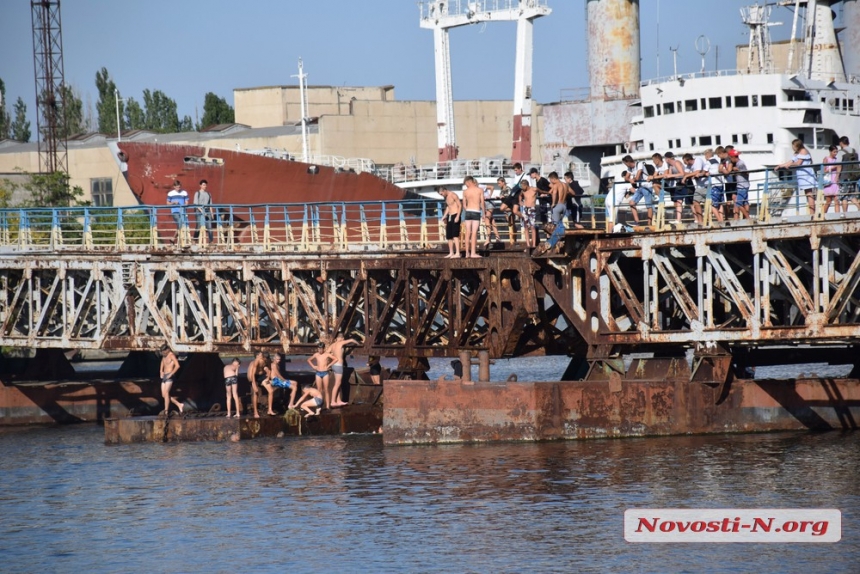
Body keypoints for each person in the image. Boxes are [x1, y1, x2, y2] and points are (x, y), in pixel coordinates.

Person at [776, 139, 816, 214]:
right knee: (807, 193)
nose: (792, 147)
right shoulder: (797, 153)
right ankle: (812, 213)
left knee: (809, 194)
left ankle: (812, 213)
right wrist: (780, 166)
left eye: (793, 146)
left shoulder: (803, 151)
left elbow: (798, 163)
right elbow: (791, 161)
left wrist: (789, 165)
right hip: (802, 175)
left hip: (806, 175)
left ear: (797, 145)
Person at [328, 334, 360, 408]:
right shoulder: (341, 343)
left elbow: (327, 353)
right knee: (337, 384)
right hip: (339, 365)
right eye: (342, 338)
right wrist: (358, 343)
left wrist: (333, 356)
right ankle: (333, 401)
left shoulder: (332, 345)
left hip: (334, 365)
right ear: (341, 338)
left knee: (338, 383)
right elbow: (352, 340)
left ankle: (338, 400)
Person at [681, 150, 712, 225]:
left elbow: (697, 171)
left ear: (688, 160)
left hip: (705, 184)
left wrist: (687, 176)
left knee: (709, 203)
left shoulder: (698, 160)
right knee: (695, 202)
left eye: (684, 161)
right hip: (698, 186)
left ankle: (709, 220)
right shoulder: (689, 165)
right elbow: (685, 172)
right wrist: (689, 175)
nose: (684, 163)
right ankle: (700, 221)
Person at [621, 154, 653, 226]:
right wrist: (630, 179)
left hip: (647, 186)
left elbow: (638, 177)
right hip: (640, 187)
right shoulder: (630, 169)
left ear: (628, 162)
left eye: (625, 163)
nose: (625, 165)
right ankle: (637, 222)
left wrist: (633, 179)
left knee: (648, 205)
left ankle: (649, 223)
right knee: (631, 203)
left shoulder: (639, 164)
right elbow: (626, 178)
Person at [307, 341, 336, 409]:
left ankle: (328, 406)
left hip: (325, 373)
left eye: (321, 349)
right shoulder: (316, 354)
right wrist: (313, 366)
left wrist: (329, 365)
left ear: (323, 348)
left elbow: (335, 359)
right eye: (318, 349)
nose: (319, 350)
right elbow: (309, 360)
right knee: (319, 390)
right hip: (318, 373)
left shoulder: (326, 354)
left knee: (326, 390)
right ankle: (319, 405)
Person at [662, 151, 688, 225]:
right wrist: (667, 176)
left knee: (679, 201)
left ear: (667, 159)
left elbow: (682, 173)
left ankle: (679, 219)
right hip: (676, 185)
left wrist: (670, 176)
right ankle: (678, 219)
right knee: (677, 202)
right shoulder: (670, 166)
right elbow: (670, 174)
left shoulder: (676, 163)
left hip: (682, 184)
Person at [462, 176, 485, 258]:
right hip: (476, 211)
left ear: (469, 182)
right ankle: (473, 253)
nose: (466, 186)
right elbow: (482, 203)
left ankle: (467, 253)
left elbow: (464, 204)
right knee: (474, 233)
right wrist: (484, 214)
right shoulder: (480, 190)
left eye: (466, 184)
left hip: (468, 212)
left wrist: (468, 209)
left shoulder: (465, 191)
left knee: (468, 232)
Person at [158, 344, 184, 415]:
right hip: (164, 376)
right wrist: (161, 371)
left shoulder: (171, 355)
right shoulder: (164, 356)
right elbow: (162, 362)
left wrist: (171, 373)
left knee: (166, 393)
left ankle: (166, 411)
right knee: (164, 395)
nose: (163, 353)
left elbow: (177, 365)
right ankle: (179, 404)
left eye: (164, 351)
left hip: (170, 376)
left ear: (167, 350)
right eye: (162, 352)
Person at [727, 149, 751, 220]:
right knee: (745, 202)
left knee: (738, 203)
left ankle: (747, 217)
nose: (730, 160)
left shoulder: (740, 163)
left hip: (742, 186)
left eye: (731, 158)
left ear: (733, 157)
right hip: (743, 185)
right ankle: (747, 217)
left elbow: (746, 172)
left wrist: (737, 170)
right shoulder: (739, 163)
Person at [838, 136, 860, 213]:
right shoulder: (854, 151)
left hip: (844, 176)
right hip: (854, 176)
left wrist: (837, 176)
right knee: (852, 194)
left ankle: (844, 213)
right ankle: (859, 207)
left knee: (844, 196)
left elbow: (839, 166)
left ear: (841, 143)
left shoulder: (841, 152)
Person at [440, 187, 461, 258]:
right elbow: (448, 207)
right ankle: (451, 252)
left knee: (455, 235)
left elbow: (460, 205)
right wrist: (444, 216)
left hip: (455, 214)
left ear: (445, 191)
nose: (442, 195)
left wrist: (458, 216)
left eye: (442, 194)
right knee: (449, 235)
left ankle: (458, 253)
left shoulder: (453, 195)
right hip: (450, 216)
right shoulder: (446, 198)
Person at [247, 350, 268, 418]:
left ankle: (266, 407)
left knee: (259, 392)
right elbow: (251, 375)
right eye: (261, 355)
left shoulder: (261, 361)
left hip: (259, 377)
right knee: (255, 393)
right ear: (257, 356)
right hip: (252, 378)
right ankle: (255, 412)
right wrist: (253, 384)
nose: (262, 356)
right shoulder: (254, 362)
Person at [518, 179, 539, 249]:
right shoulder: (523, 191)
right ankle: (528, 244)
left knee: (532, 226)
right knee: (526, 227)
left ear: (525, 185)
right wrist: (520, 201)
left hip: (532, 208)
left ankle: (534, 244)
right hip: (525, 208)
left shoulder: (533, 189)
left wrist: (545, 194)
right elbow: (520, 196)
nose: (521, 188)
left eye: (522, 186)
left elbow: (541, 191)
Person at [167, 180, 188, 244]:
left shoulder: (184, 193)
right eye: (177, 187)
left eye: (179, 187)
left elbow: (186, 202)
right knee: (180, 223)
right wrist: (173, 202)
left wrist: (184, 206)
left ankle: (174, 239)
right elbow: (167, 203)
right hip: (175, 211)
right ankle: (178, 240)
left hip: (182, 211)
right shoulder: (170, 193)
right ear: (174, 187)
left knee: (181, 225)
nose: (178, 188)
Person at [192, 179, 213, 244]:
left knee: (209, 226)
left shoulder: (208, 194)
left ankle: (211, 241)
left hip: (207, 210)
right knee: (198, 225)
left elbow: (210, 204)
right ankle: (195, 239)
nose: (205, 186)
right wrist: (201, 211)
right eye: (203, 185)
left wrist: (212, 213)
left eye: (205, 185)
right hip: (199, 210)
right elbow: (195, 204)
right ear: (200, 185)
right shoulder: (197, 193)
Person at [822, 145, 841, 214]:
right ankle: (823, 215)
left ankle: (838, 216)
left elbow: (839, 168)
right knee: (828, 201)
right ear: (830, 151)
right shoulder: (826, 159)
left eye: (836, 152)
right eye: (834, 152)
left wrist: (837, 176)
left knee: (837, 200)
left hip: (835, 180)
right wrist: (833, 167)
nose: (835, 153)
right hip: (828, 180)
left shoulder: (836, 159)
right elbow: (824, 171)